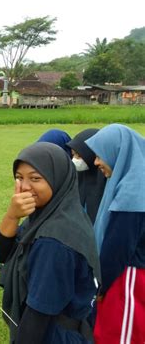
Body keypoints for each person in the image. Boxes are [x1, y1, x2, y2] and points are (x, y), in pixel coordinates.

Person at [0, 142, 101, 343]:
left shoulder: (53, 242)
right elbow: (0, 253)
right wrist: (11, 216)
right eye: (19, 177)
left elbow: (38, 315)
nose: (24, 186)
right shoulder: (55, 212)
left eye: (35, 178)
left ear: (57, 178)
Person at [84, 124, 145, 343]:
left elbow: (117, 249)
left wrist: (101, 286)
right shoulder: (135, 180)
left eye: (100, 155)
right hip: (129, 276)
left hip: (128, 279)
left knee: (120, 335)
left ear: (118, 152)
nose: (96, 162)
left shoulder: (133, 191)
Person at [66, 129, 106, 223]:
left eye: (79, 156)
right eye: (73, 155)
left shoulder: (106, 180)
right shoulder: (77, 177)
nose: (74, 160)